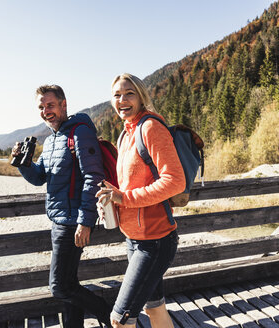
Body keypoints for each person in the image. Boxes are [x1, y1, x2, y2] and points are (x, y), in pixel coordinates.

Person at [12, 84, 112, 328]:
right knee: (69, 284)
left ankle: (112, 316)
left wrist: (85, 222)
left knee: (59, 287)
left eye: (51, 105)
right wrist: (23, 163)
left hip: (72, 222)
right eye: (42, 107)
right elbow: (39, 177)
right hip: (59, 220)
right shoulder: (52, 140)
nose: (46, 111)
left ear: (63, 105)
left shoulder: (79, 133)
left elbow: (93, 177)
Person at [96, 73, 185, 328]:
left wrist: (124, 197)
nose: (122, 99)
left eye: (129, 93)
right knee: (155, 309)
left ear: (141, 96)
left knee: (119, 320)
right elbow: (129, 186)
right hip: (134, 239)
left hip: (155, 241)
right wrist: (111, 199)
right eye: (117, 95)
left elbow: (174, 180)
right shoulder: (125, 135)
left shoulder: (150, 128)